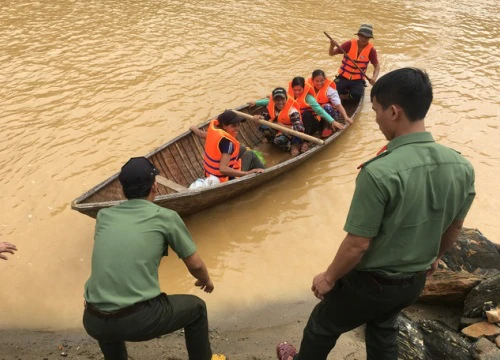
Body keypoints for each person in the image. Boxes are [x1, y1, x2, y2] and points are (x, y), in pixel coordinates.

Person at [276, 68, 476, 360]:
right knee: (383, 326)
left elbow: (358, 243)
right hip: (414, 282)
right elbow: (455, 227)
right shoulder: (462, 166)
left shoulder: (380, 171)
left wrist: (329, 278)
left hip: (373, 284)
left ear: (393, 112)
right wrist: (433, 258)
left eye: (376, 110)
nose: (376, 118)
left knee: (322, 325)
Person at [83, 157, 226, 360]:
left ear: (122, 190)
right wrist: (205, 280)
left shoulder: (104, 215)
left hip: (92, 319)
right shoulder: (166, 217)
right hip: (138, 321)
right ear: (155, 186)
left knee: (109, 309)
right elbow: (195, 264)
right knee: (197, 309)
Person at [192, 110, 265, 183]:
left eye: (238, 125)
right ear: (224, 126)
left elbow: (201, 134)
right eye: (233, 126)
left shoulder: (215, 133)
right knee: (250, 154)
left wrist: (193, 128)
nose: (237, 128)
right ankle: (264, 173)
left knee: (241, 148)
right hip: (224, 179)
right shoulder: (228, 143)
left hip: (210, 174)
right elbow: (223, 169)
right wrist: (247, 173)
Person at [287, 76, 344, 151]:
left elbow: (319, 110)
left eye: (299, 90)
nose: (297, 92)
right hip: (299, 124)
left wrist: (332, 121)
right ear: (292, 88)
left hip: (313, 124)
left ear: (304, 88)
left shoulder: (308, 98)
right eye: (295, 90)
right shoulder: (288, 96)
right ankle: (295, 141)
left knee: (306, 114)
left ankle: (305, 141)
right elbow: (274, 102)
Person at [329, 24, 381, 102]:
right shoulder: (349, 44)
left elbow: (377, 67)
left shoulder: (371, 50)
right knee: (330, 91)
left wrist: (374, 78)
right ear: (358, 35)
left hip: (357, 80)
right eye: (361, 36)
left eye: (366, 37)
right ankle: (342, 93)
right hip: (343, 77)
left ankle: (344, 96)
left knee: (357, 96)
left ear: (369, 38)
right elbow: (332, 53)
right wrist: (331, 46)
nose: (363, 39)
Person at [248, 87, 305, 156]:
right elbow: (268, 117)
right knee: (263, 126)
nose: (280, 102)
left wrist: (284, 127)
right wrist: (260, 118)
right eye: (277, 100)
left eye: (282, 99)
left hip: (292, 134)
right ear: (274, 100)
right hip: (279, 129)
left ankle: (291, 146)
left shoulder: (292, 111)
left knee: (278, 141)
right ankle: (271, 140)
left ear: (286, 98)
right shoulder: (272, 106)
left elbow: (300, 128)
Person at [307, 69, 353, 138]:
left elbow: (338, 105)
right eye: (317, 81)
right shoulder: (308, 88)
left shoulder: (329, 90)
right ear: (312, 80)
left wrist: (345, 117)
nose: (319, 83)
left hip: (331, 113)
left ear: (325, 80)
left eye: (322, 80)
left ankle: (328, 126)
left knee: (326, 106)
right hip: (318, 113)